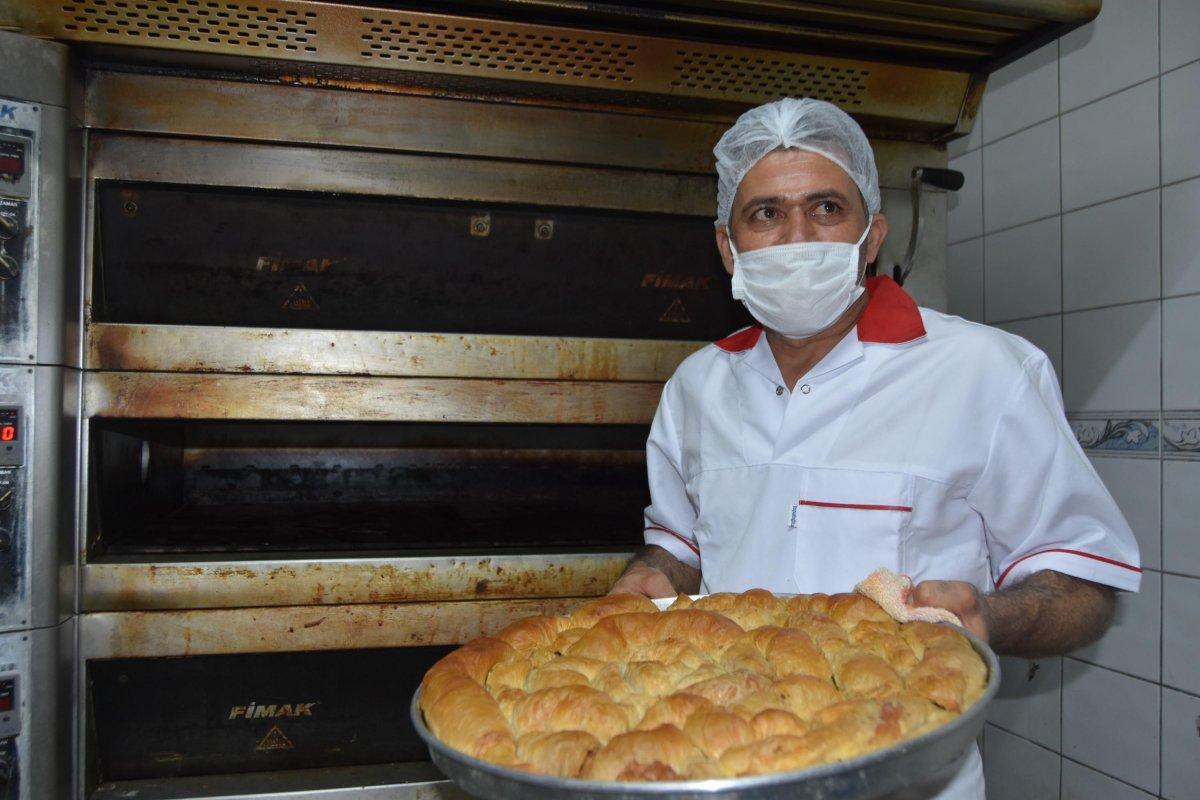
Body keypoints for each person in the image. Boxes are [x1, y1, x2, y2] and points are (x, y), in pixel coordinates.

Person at [608, 97, 1141, 799]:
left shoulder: (984, 371)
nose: (797, 236)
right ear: (727, 248)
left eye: (826, 207)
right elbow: (680, 547)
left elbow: (1083, 583)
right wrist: (653, 576)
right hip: (728, 761)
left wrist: (988, 615)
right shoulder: (697, 387)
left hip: (911, 781)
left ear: (871, 236)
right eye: (765, 213)